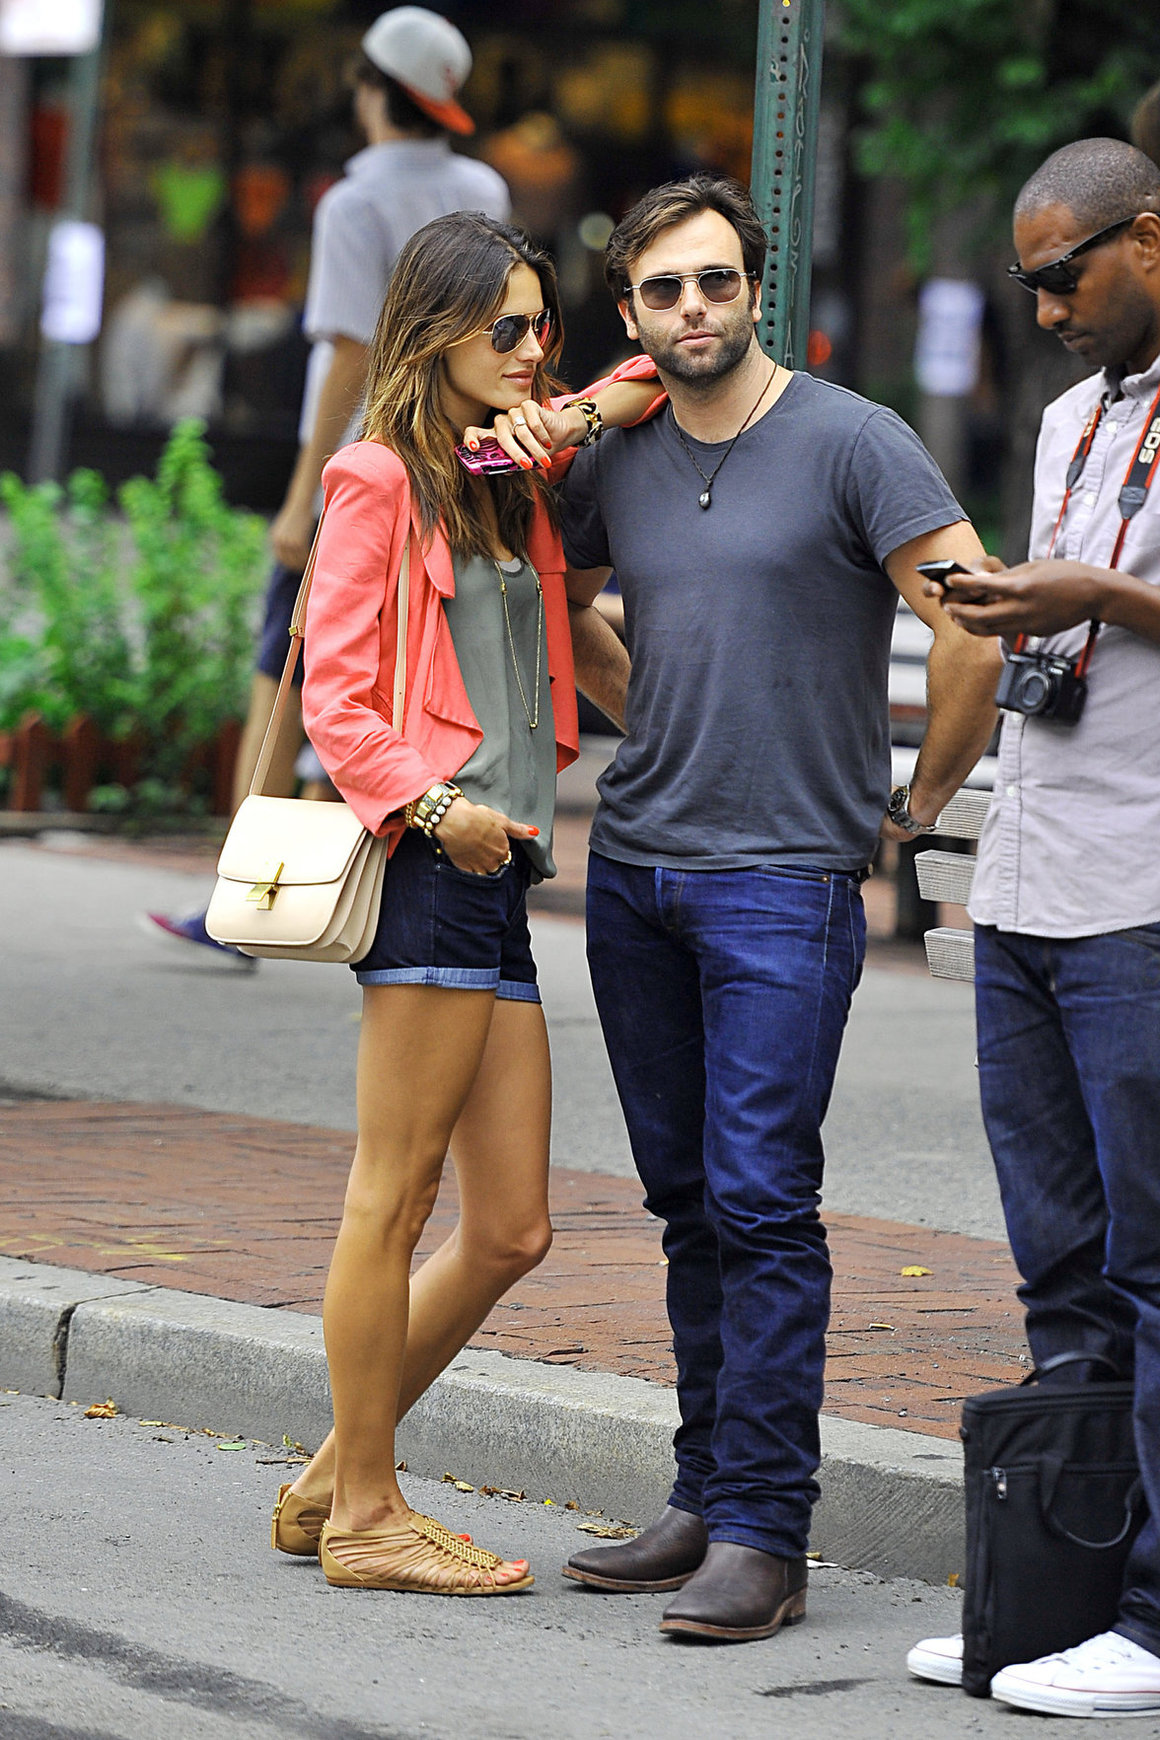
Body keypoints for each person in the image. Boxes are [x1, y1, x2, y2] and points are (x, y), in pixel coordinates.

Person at [492, 173, 1002, 1641]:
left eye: (717, 282)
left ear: (757, 292)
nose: (695, 309)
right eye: (664, 291)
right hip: (639, 875)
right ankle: (706, 1493)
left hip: (785, 885)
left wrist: (910, 811)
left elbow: (970, 619)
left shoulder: (856, 442)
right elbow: (559, 600)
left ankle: (767, 1533)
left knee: (765, 1204)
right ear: (631, 313)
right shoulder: (623, 451)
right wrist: (655, 717)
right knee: (687, 1204)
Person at [264, 208, 658, 1594]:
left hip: (503, 876)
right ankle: (371, 1513)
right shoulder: (376, 478)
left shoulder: (501, 479)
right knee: (393, 1195)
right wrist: (441, 811)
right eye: (504, 327)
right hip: (440, 863)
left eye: (543, 324)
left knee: (510, 1229)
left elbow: (656, 372)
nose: (533, 348)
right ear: (430, 332)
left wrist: (567, 411)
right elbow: (338, 703)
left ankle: (331, 1473)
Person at [907, 139, 1160, 1718]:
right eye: (1030, 282)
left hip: (1146, 894)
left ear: (1153, 236)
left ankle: (1152, 1622)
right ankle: (1059, 1601)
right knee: (1062, 1268)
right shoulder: (1071, 418)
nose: (1049, 304)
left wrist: (1101, 594)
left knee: (1158, 1266)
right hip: (1031, 880)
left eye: (1068, 271)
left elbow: (1118, 605)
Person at [146, 6, 509, 961]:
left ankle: (247, 883)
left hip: (366, 464)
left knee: (285, 665)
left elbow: (350, 348)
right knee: (410, 671)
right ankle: (340, 878)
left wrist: (303, 490)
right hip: (461, 465)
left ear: (374, 91)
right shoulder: (484, 188)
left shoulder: (352, 203)